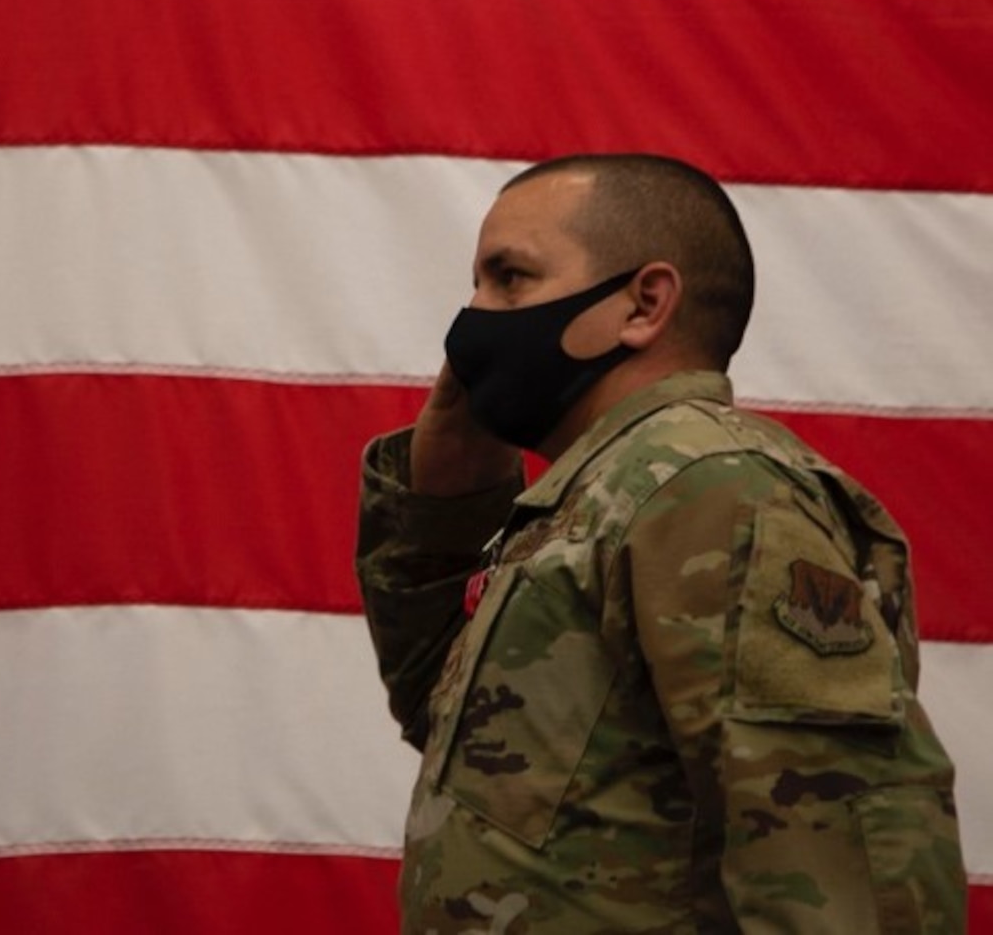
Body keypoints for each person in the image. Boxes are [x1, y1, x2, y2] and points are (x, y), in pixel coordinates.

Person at [355, 154, 964, 933]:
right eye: (477, 284)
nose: (473, 321)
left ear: (644, 303)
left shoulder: (714, 491)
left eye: (510, 279)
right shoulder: (596, 499)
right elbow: (465, 738)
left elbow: (841, 859)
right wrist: (445, 499)